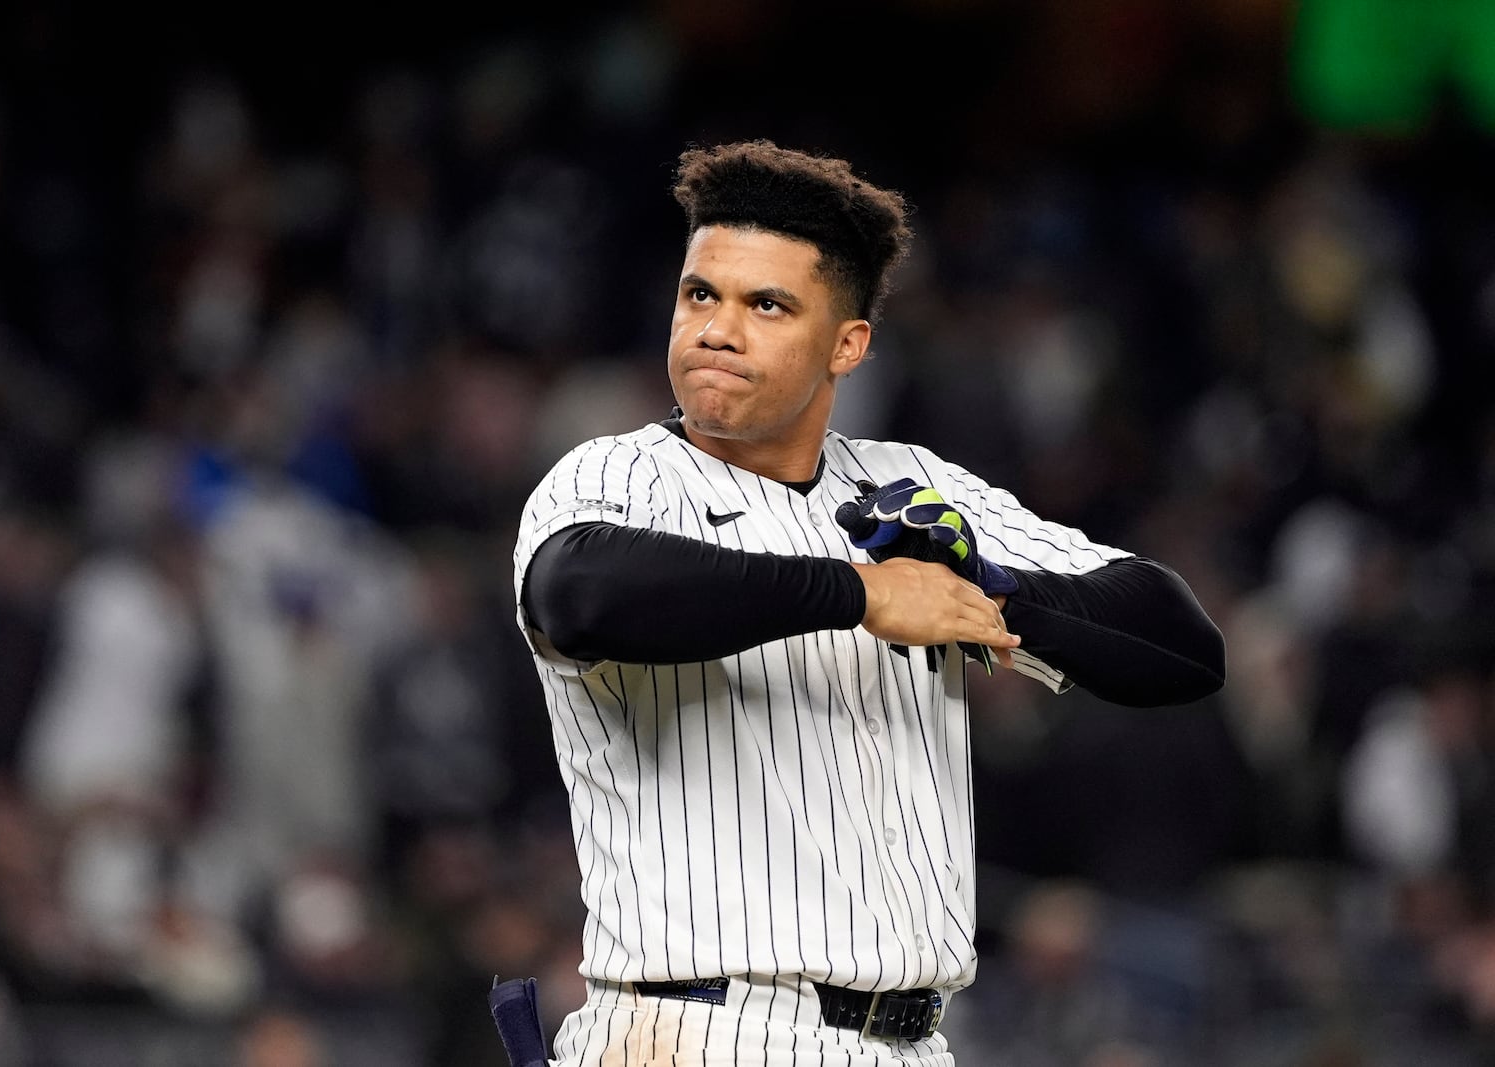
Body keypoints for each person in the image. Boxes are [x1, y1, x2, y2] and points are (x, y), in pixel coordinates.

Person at [511, 139, 1225, 1066]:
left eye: (767, 304)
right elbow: (581, 593)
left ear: (847, 342)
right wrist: (860, 591)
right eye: (701, 295)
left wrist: (991, 591)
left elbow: (1180, 646)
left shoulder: (911, 482)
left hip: (914, 1040)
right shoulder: (617, 475)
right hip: (696, 1027)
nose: (718, 330)